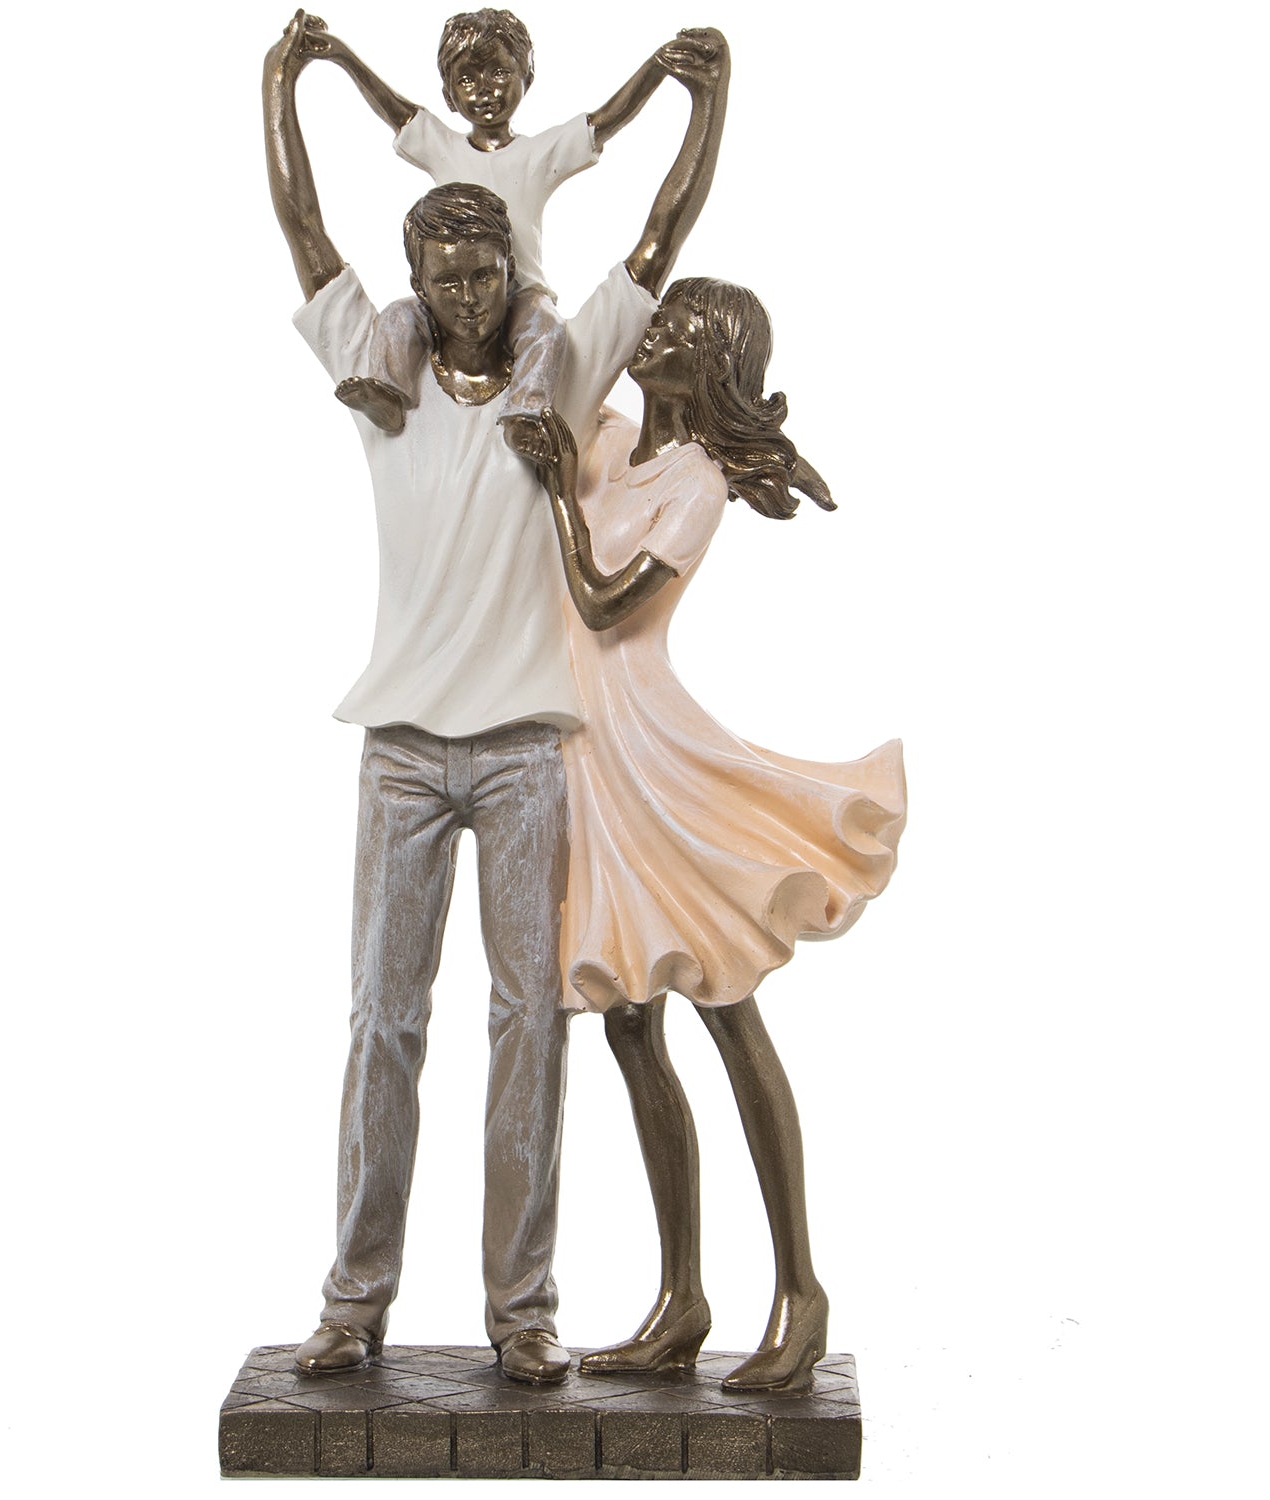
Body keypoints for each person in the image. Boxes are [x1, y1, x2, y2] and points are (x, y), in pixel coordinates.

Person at [260, 11, 730, 1384]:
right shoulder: (380, 376)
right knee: (382, 1022)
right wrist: (283, 79)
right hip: (403, 749)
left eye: (485, 270)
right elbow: (300, 226)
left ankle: (522, 1310)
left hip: (527, 748)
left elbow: (660, 238)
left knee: (530, 1024)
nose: (467, 292)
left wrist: (707, 107)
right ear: (415, 278)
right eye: (444, 273)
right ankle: (355, 1300)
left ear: (512, 266)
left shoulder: (563, 372)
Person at [530, 278, 907, 1391]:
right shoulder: (609, 444)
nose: (653, 335)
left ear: (711, 366)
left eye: (679, 331)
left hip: (650, 758)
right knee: (629, 1026)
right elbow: (558, 357)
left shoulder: (695, 484)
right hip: (580, 760)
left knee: (727, 1011)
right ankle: (681, 1300)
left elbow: (605, 606)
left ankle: (800, 1291)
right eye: (659, 321)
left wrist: (557, 498)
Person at [292, 8, 683, 455]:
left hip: (520, 293)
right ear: (448, 94)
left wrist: (656, 69)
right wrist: (342, 56)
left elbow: (604, 121)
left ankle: (525, 414)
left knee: (547, 331)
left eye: (499, 72)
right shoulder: (443, 147)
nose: (485, 91)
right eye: (467, 79)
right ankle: (388, 393)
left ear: (526, 77)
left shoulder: (538, 154)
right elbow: (393, 109)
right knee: (399, 317)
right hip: (448, 299)